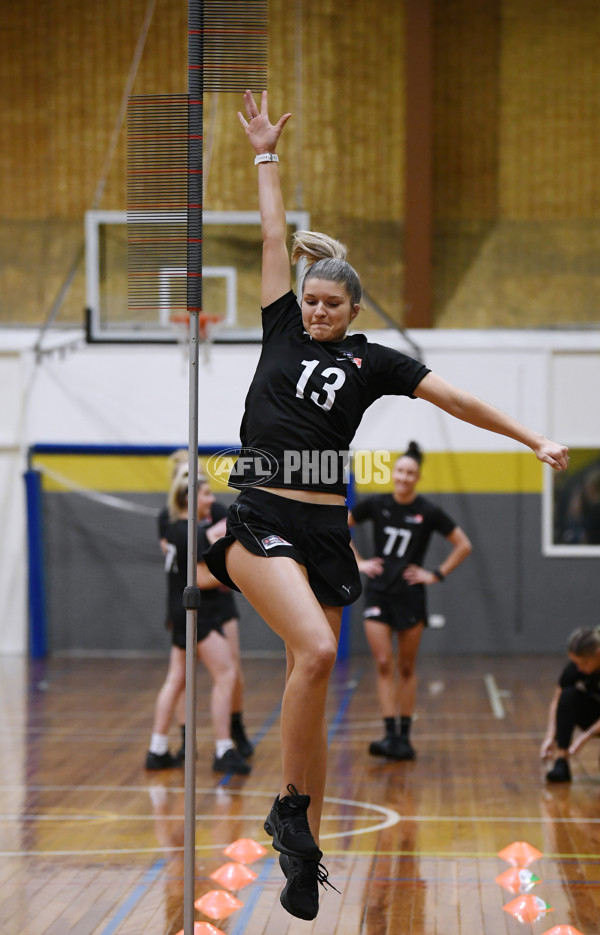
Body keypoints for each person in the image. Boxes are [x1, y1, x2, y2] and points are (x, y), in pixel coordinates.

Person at [202, 89, 569, 921]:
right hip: (259, 511)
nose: (316, 309)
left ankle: (300, 832)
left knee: (320, 667)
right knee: (318, 653)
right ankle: (292, 816)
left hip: (325, 523)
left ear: (353, 310)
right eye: (309, 300)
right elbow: (270, 234)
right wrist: (265, 155)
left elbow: (460, 400)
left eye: (330, 302)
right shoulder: (277, 329)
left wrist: (530, 437)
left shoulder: (377, 361)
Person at [349, 441, 472, 760]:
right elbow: (338, 526)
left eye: (410, 473)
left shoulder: (428, 512)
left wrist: (436, 574)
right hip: (378, 591)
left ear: (417, 478)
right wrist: (359, 561)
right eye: (400, 471)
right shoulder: (376, 504)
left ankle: (404, 737)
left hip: (410, 595)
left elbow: (463, 544)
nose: (404, 477)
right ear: (394, 473)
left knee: (406, 666)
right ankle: (389, 735)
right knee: (382, 663)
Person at [145, 469, 251, 775]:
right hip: (196, 615)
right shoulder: (188, 532)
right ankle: (223, 749)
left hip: (179, 613)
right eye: (205, 494)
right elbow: (201, 578)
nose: (211, 499)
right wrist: (238, 578)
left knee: (177, 678)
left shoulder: (175, 529)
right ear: (189, 497)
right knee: (226, 674)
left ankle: (157, 748)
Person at [540, 626, 600, 783]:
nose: (579, 668)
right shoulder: (577, 667)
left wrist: (584, 737)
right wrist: (550, 737)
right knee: (568, 696)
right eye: (576, 663)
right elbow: (557, 701)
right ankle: (562, 761)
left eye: (584, 663)